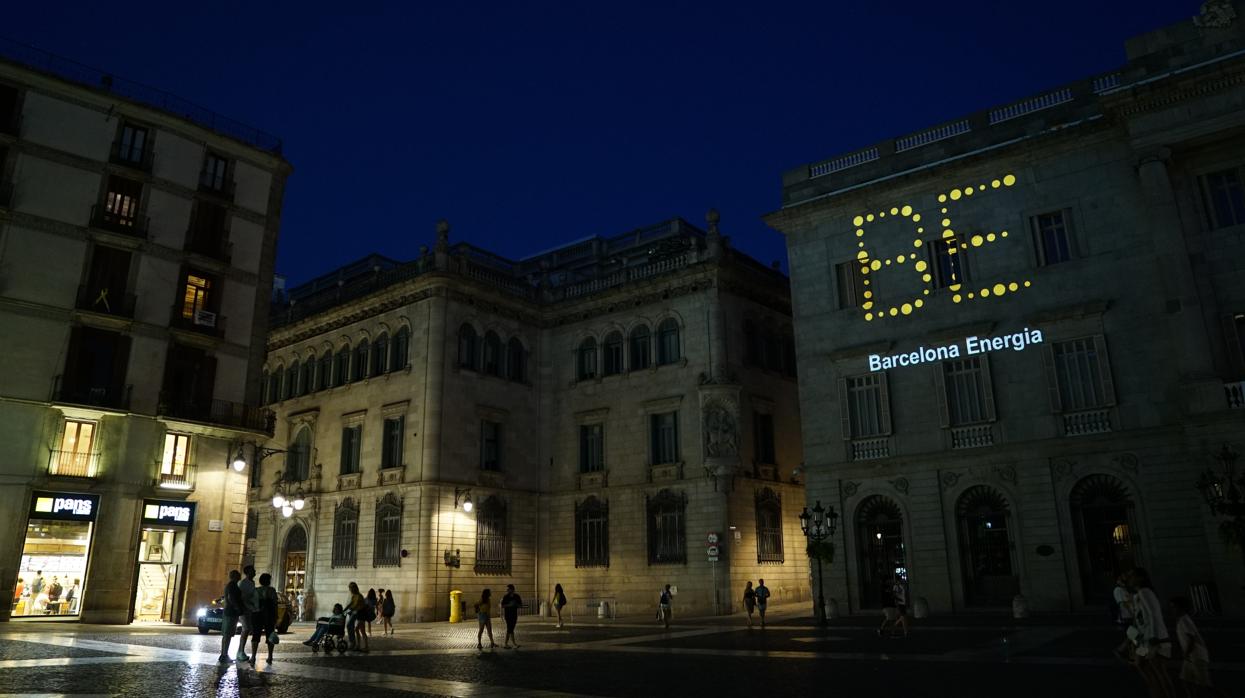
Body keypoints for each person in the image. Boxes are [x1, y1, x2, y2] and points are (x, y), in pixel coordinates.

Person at [1128, 568, 1174, 698]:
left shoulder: (1144, 592)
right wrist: (1133, 640)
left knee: (1158, 671)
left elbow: (1152, 614)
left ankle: (1165, 694)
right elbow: (1139, 621)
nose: (1129, 579)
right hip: (1145, 641)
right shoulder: (1139, 594)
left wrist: (1153, 636)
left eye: (1132, 576)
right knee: (1141, 664)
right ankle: (1156, 693)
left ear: (1141, 578)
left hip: (1153, 640)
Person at [1171, 596, 1221, 697]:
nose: (1172, 610)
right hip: (1190, 657)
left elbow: (1192, 639)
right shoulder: (1182, 620)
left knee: (1206, 685)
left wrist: (1186, 653)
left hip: (1196, 656)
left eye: (1173, 607)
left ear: (1181, 608)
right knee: (1186, 680)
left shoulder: (1185, 620)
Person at [250, 573, 279, 664]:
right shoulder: (272, 590)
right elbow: (275, 604)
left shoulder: (256, 590)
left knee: (255, 636)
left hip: (257, 615)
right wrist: (275, 616)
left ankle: (253, 657)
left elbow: (252, 603)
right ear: (269, 581)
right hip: (269, 616)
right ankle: (270, 656)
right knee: (270, 636)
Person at [218, 570, 244, 662]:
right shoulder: (232, 586)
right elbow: (231, 598)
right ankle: (224, 655)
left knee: (227, 634)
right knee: (227, 634)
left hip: (229, 611)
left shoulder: (231, 585)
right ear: (235, 576)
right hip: (231, 612)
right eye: (238, 575)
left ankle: (223, 654)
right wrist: (237, 608)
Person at [235, 565, 258, 662]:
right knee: (246, 629)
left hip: (249, 609)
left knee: (247, 629)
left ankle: (241, 651)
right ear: (248, 572)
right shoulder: (243, 583)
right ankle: (240, 651)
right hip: (244, 609)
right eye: (253, 571)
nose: (255, 572)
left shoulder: (252, 583)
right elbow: (242, 598)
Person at [344, 582, 368, 652]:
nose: (350, 589)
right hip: (357, 615)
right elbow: (350, 604)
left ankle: (366, 647)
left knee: (362, 631)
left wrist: (351, 610)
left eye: (351, 588)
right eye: (350, 588)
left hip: (361, 615)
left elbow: (356, 605)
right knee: (356, 630)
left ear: (355, 588)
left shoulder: (359, 596)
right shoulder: (354, 595)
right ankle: (358, 645)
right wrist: (344, 610)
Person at [501, 584, 523, 649]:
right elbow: (502, 606)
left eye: (508, 589)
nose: (507, 590)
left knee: (511, 629)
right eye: (507, 589)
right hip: (507, 615)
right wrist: (509, 605)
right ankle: (510, 643)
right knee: (509, 628)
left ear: (512, 589)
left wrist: (515, 604)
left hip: (514, 615)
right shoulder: (505, 597)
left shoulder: (517, 596)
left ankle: (508, 643)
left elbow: (520, 605)